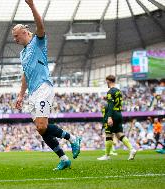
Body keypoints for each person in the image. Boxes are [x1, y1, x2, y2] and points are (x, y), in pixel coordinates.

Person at [12, 0, 81, 170]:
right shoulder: (23, 54)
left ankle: (72, 138)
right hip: (32, 93)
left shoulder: (38, 42)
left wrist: (32, 6)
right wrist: (21, 95)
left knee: (42, 125)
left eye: (16, 36)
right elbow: (25, 75)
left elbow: (40, 26)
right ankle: (64, 159)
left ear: (25, 32)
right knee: (41, 129)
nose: (15, 39)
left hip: (44, 87)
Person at [97, 75, 136, 160]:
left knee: (108, 134)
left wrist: (109, 117)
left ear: (108, 81)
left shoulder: (110, 91)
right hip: (119, 113)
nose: (106, 83)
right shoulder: (118, 91)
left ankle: (107, 156)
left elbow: (111, 105)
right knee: (119, 134)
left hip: (113, 114)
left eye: (106, 81)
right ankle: (132, 149)